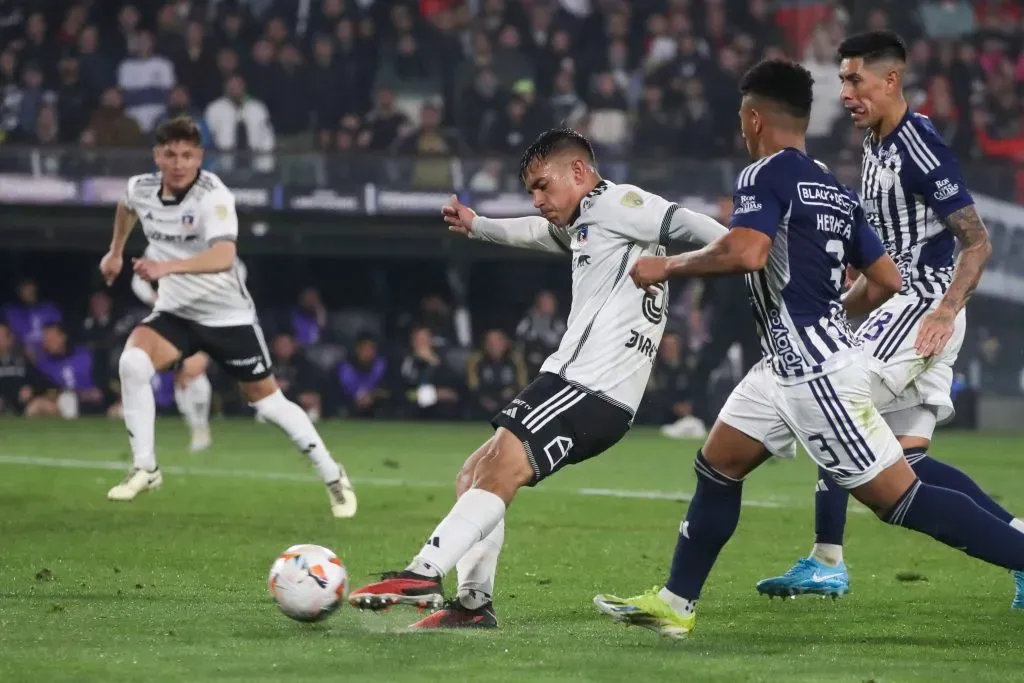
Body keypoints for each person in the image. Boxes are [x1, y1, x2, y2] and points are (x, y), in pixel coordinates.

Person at [592, 59, 1024, 640]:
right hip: (785, 366)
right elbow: (887, 278)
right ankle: (676, 603)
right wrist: (826, 313)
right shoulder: (831, 186)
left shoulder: (762, 174)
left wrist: (666, 263)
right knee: (718, 464)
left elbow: (746, 252)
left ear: (754, 119)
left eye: (742, 122)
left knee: (902, 497)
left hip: (814, 374)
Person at [347, 128, 729, 629]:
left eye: (542, 185)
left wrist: (703, 262)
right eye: (531, 190)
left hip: (591, 386)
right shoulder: (589, 218)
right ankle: (473, 604)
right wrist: (479, 224)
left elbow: (706, 231)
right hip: (578, 382)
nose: (537, 199)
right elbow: (535, 233)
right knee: (474, 474)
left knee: (502, 467)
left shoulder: (619, 202)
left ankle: (423, 572)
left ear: (578, 170)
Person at [754, 31, 1024, 608]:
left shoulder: (917, 146)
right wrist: (833, 313)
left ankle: (828, 562)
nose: (845, 92)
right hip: (901, 307)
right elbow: (883, 265)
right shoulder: (874, 146)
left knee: (836, 394)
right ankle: (1019, 546)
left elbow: (976, 243)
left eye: (854, 80)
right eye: (842, 80)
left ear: (891, 80)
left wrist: (946, 312)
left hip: (923, 308)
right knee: (909, 462)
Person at [99, 115, 357, 519]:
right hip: (176, 313)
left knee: (268, 403)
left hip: (226, 315)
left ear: (200, 157)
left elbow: (223, 256)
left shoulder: (212, 196)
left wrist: (167, 269)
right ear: (158, 157)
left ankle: (332, 476)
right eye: (171, 154)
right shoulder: (142, 187)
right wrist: (115, 251)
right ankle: (145, 466)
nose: (179, 163)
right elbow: (126, 205)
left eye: (188, 155)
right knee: (132, 363)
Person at [131, 244, 219, 453]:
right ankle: (197, 428)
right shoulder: (159, 242)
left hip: (205, 314)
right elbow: (138, 282)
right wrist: (156, 301)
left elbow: (237, 270)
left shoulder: (211, 240)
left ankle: (200, 427)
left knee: (195, 370)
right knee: (184, 374)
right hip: (172, 317)